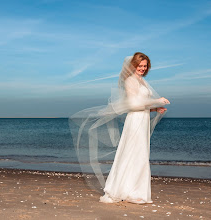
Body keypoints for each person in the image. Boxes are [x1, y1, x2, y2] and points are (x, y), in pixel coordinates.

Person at [69, 52, 170, 205]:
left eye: (145, 66)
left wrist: (155, 109)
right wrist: (157, 100)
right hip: (135, 121)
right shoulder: (130, 80)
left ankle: (135, 191)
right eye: (140, 66)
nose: (142, 68)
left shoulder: (141, 81)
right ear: (134, 65)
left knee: (140, 154)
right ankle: (127, 191)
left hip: (142, 119)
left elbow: (141, 104)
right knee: (133, 153)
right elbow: (133, 105)